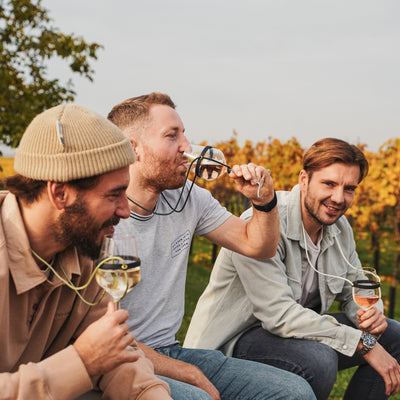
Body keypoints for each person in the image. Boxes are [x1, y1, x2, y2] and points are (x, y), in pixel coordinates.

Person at [107, 92, 316, 400]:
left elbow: (258, 246)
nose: (186, 147)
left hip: (169, 350)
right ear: (133, 148)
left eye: (184, 134)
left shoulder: (189, 198)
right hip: (119, 358)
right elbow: (105, 336)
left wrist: (264, 202)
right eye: (171, 136)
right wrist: (188, 373)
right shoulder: (105, 217)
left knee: (294, 393)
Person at [184, 138, 400, 400]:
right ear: (304, 179)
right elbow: (278, 314)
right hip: (230, 345)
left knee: (393, 336)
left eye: (349, 188)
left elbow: (354, 287)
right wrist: (361, 343)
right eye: (329, 184)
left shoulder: (340, 229)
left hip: (290, 336)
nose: (339, 198)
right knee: (318, 359)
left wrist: (370, 316)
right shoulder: (263, 223)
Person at [0, 104, 172, 400]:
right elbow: (93, 357)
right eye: (114, 195)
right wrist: (81, 362)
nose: (126, 211)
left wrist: (152, 393)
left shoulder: (85, 254)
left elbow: (118, 357)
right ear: (60, 193)